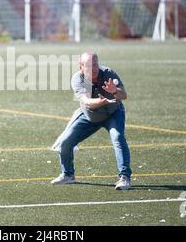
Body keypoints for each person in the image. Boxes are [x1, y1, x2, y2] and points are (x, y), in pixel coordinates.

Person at [51, 52, 132, 190]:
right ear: (81, 67)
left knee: (118, 137)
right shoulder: (78, 79)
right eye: (88, 65)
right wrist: (101, 101)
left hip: (113, 113)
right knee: (65, 143)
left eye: (95, 64)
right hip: (90, 116)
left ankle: (124, 177)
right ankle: (68, 175)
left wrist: (115, 91)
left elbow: (123, 95)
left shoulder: (108, 73)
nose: (93, 68)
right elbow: (87, 102)